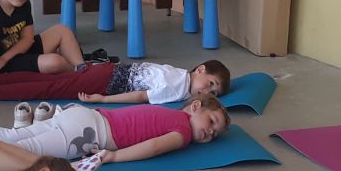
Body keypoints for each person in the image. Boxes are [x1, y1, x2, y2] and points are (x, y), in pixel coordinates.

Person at [0, 97, 231, 171]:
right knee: (26, 150)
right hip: (89, 134)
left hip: (85, 116)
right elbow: (155, 146)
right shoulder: (182, 132)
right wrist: (114, 156)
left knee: (17, 135)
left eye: (214, 134)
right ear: (195, 107)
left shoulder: (167, 111)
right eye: (211, 122)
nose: (210, 132)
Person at [77, 58, 232, 106]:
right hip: (108, 81)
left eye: (213, 93)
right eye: (210, 83)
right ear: (200, 69)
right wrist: (103, 99)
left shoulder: (182, 74)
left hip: (113, 69)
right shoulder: (178, 88)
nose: (207, 92)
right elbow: (141, 96)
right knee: (62, 84)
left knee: (70, 70)